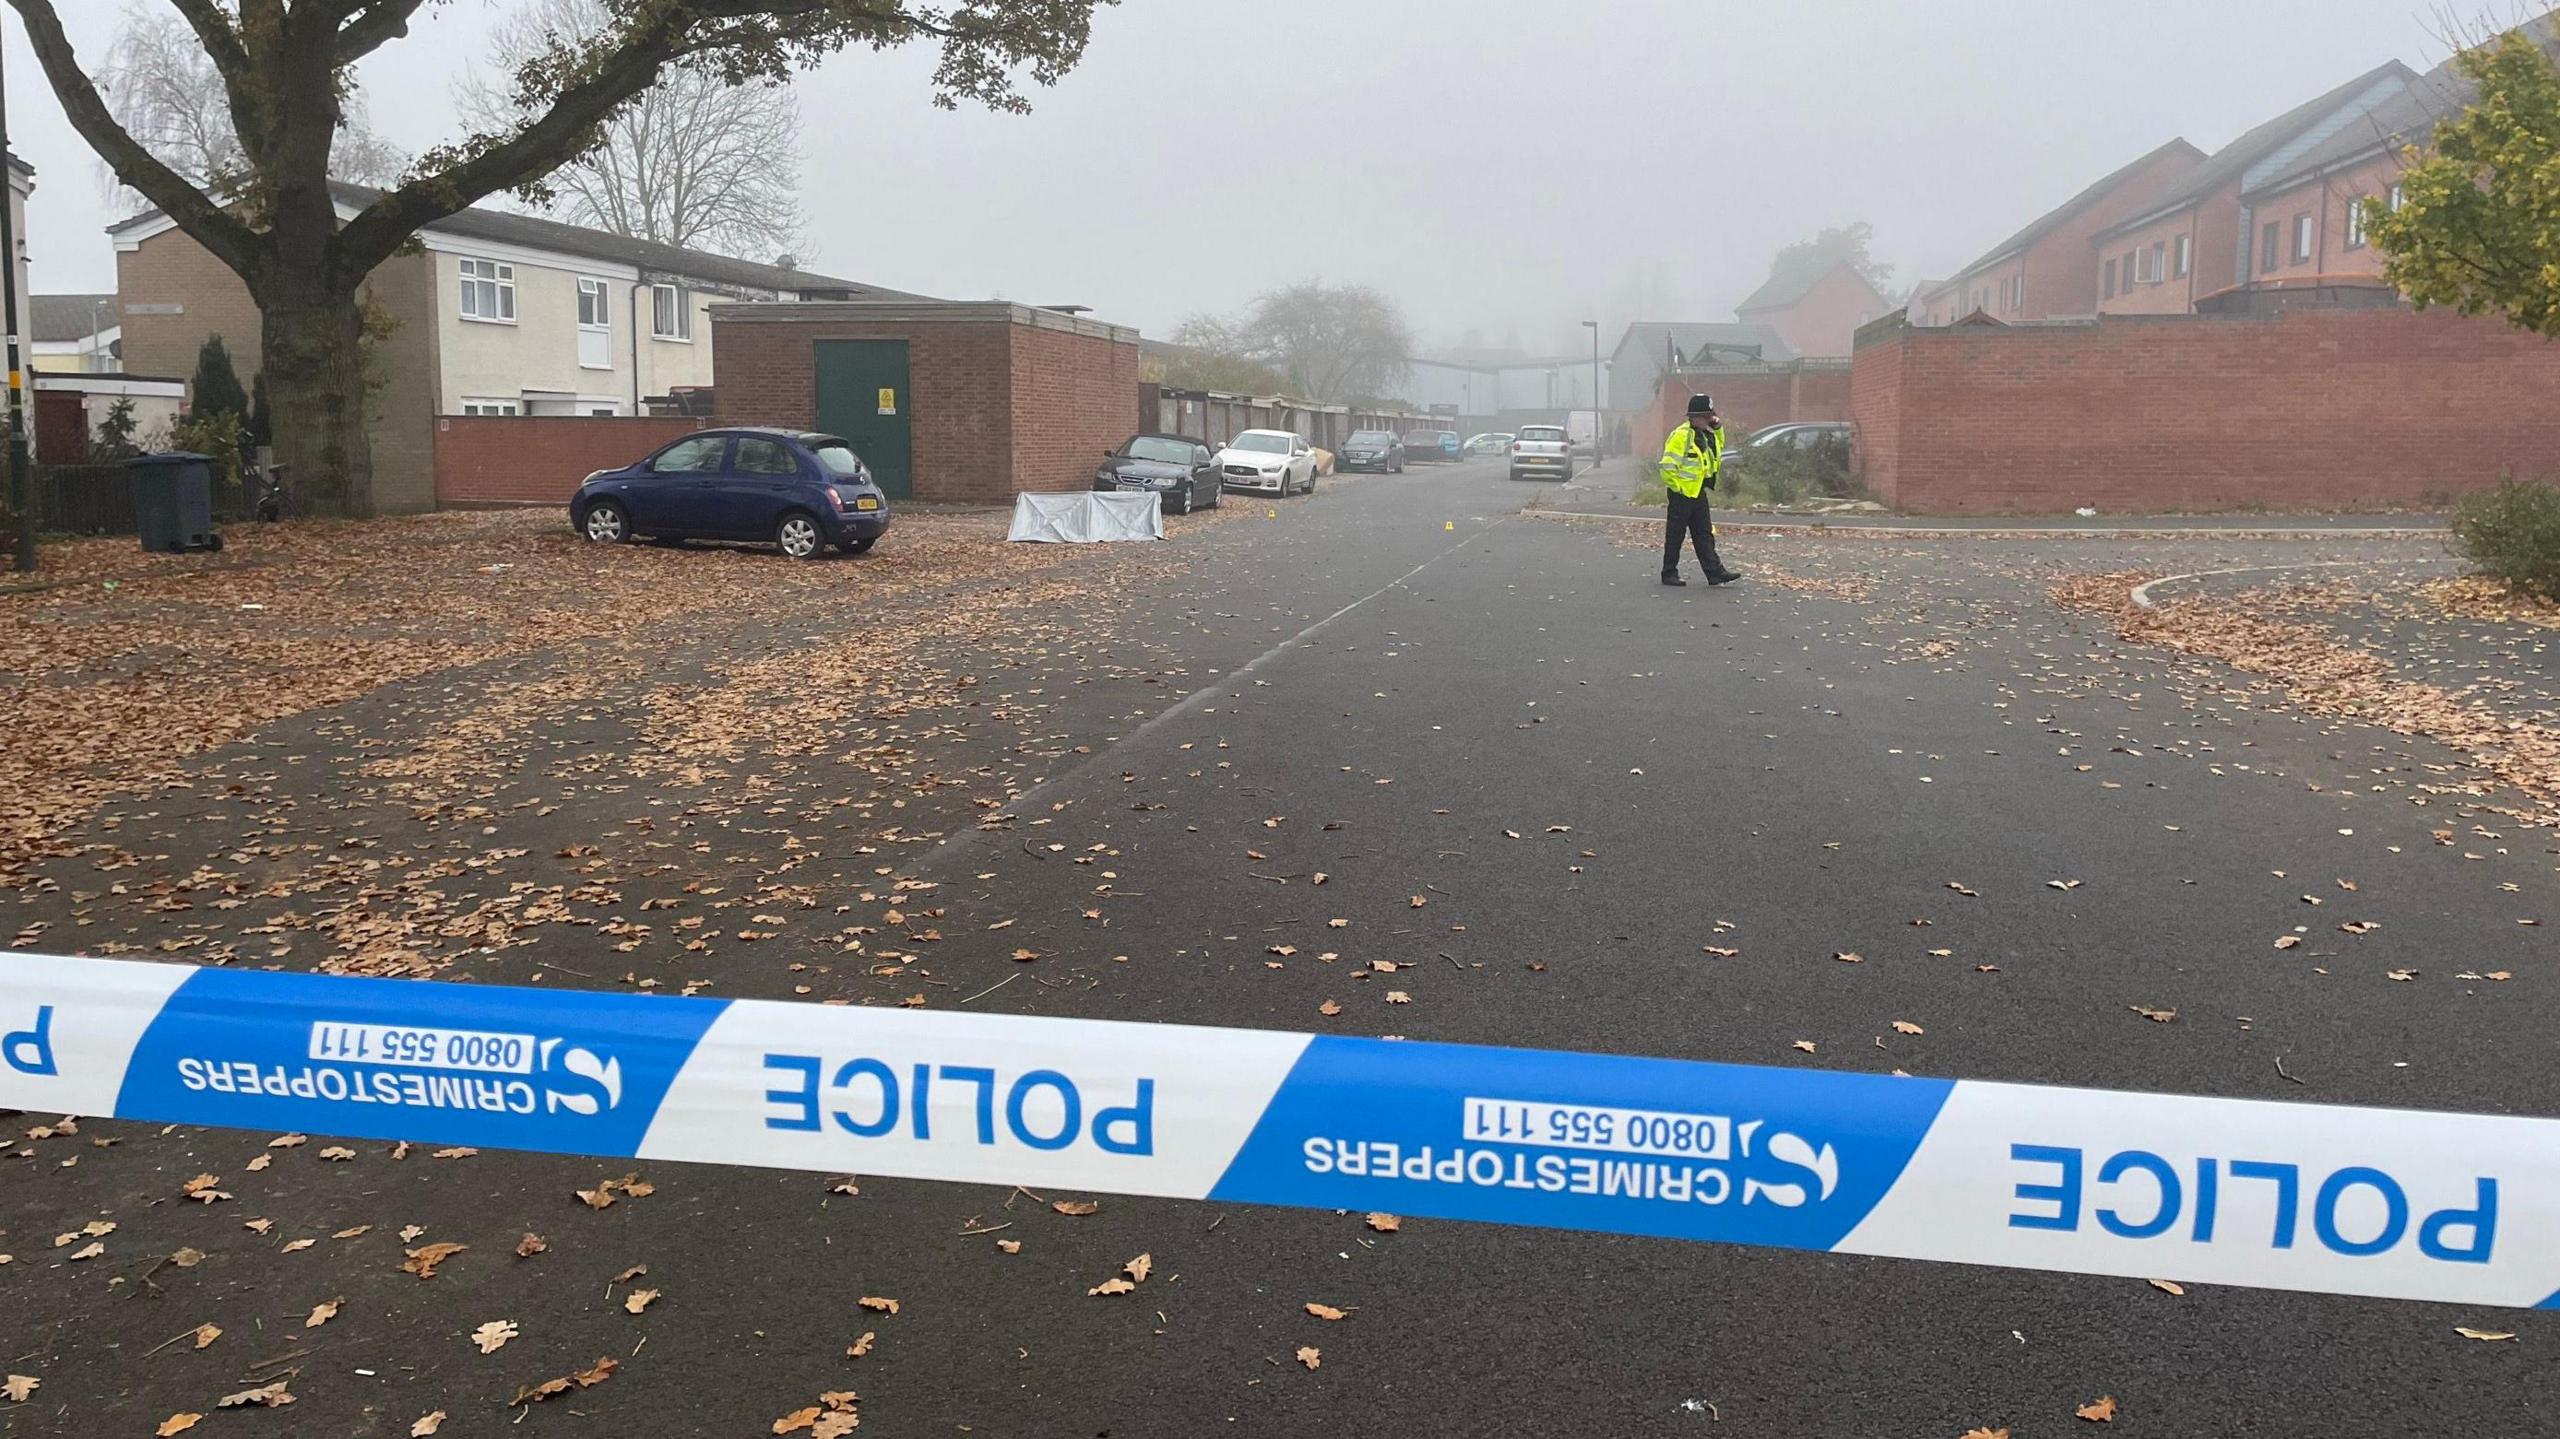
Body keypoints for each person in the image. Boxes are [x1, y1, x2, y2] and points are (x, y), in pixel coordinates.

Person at [1658, 393, 1740, 587]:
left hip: (1698, 492)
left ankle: (1715, 573)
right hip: (1682, 494)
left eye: (1710, 416)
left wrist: (1718, 428)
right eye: (1705, 416)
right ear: (1694, 416)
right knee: (1675, 535)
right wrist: (1677, 488)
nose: (1708, 420)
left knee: (1704, 534)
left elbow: (1718, 449)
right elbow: (1667, 465)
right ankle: (1669, 573)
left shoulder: (1705, 435)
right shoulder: (1681, 436)